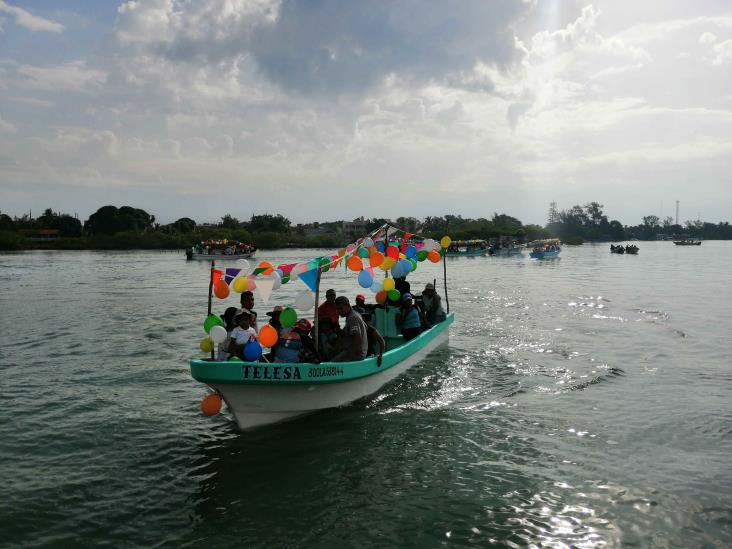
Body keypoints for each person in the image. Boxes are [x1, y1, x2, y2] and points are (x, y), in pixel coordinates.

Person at [332, 296, 368, 362]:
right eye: (337, 309)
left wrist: (349, 358)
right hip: (353, 351)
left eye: (340, 308)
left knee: (332, 363)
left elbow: (357, 340)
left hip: (356, 355)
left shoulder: (353, 318)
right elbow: (366, 327)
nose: (338, 311)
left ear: (347, 306)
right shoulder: (353, 314)